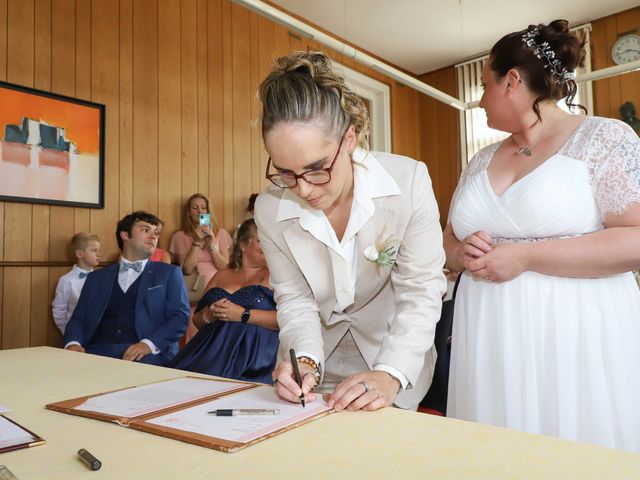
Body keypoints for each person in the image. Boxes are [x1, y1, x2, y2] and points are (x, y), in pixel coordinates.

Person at [444, 20, 640, 451]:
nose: (479, 101)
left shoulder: (603, 138)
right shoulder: (479, 160)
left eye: (484, 86)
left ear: (512, 81)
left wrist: (526, 257)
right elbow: (449, 240)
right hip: (488, 336)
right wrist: (460, 252)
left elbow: (636, 239)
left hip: (572, 333)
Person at [255, 51, 446, 412]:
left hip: (391, 353)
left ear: (350, 138)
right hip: (315, 359)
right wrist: (305, 362)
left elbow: (421, 291)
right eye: (285, 173)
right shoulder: (269, 208)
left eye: (317, 169)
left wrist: (390, 374)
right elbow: (295, 299)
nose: (304, 189)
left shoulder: (408, 183)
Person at [64, 211, 190, 366]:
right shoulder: (96, 278)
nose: (153, 236)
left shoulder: (169, 273)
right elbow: (79, 318)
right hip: (97, 352)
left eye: (156, 233)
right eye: (145, 230)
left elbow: (179, 317)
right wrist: (73, 344)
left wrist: (147, 345)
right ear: (125, 235)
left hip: (150, 356)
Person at [171, 219, 278, 384]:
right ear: (243, 244)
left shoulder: (276, 276)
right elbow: (197, 320)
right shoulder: (221, 275)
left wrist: (243, 314)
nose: (268, 245)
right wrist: (209, 314)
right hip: (207, 351)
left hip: (251, 357)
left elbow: (288, 320)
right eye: (261, 240)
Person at [169, 193, 233, 341]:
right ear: (188, 212)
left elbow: (224, 267)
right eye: (195, 208)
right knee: (196, 332)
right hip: (195, 291)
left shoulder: (221, 234)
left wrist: (211, 245)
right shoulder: (180, 236)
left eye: (204, 208)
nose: (200, 212)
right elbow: (187, 269)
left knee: (220, 331)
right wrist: (196, 242)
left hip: (219, 287)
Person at [51, 232, 101, 334]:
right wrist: (70, 333)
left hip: (100, 334)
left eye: (99, 250)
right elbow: (59, 311)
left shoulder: (102, 279)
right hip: (77, 333)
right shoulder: (66, 280)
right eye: (94, 250)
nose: (99, 254)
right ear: (79, 254)